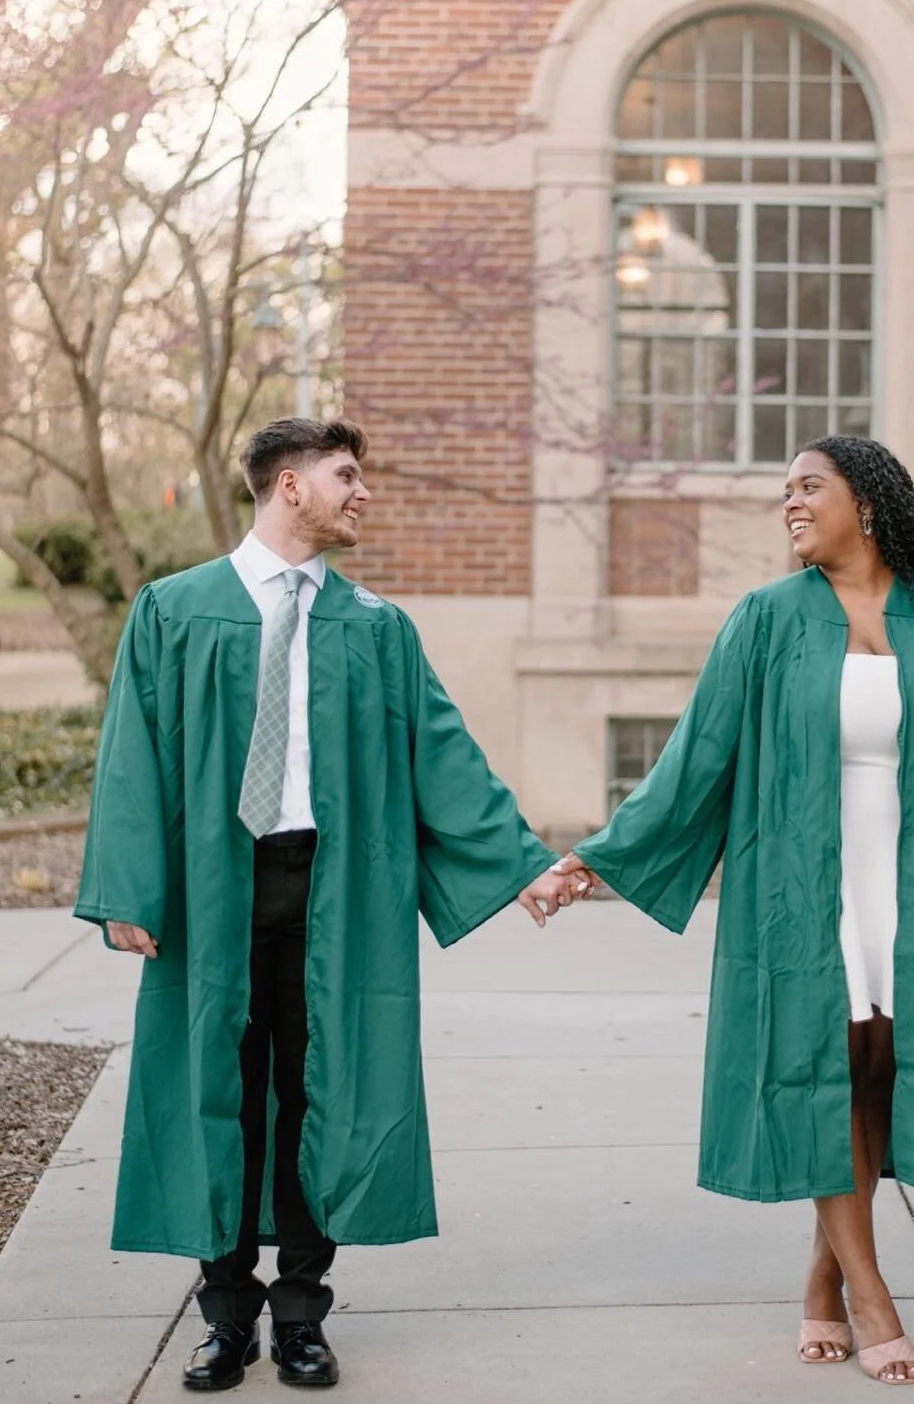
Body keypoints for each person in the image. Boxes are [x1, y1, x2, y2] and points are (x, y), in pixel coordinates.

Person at [75, 418, 584, 1392]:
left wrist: (521, 865)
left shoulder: (378, 628)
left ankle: (303, 1317)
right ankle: (226, 1318)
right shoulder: (174, 610)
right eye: (347, 476)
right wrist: (128, 894)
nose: (364, 493)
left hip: (336, 889)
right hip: (214, 889)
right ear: (289, 486)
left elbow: (444, 756)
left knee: (324, 1097)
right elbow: (130, 760)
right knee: (216, 1094)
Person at [556, 436, 914, 1386]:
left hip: (912, 880)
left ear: (867, 502)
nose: (790, 505)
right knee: (823, 1065)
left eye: (808, 488)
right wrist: (597, 858)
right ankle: (871, 1297)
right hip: (804, 883)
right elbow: (695, 758)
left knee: (882, 1069)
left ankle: (823, 1277)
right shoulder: (767, 618)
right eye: (784, 492)